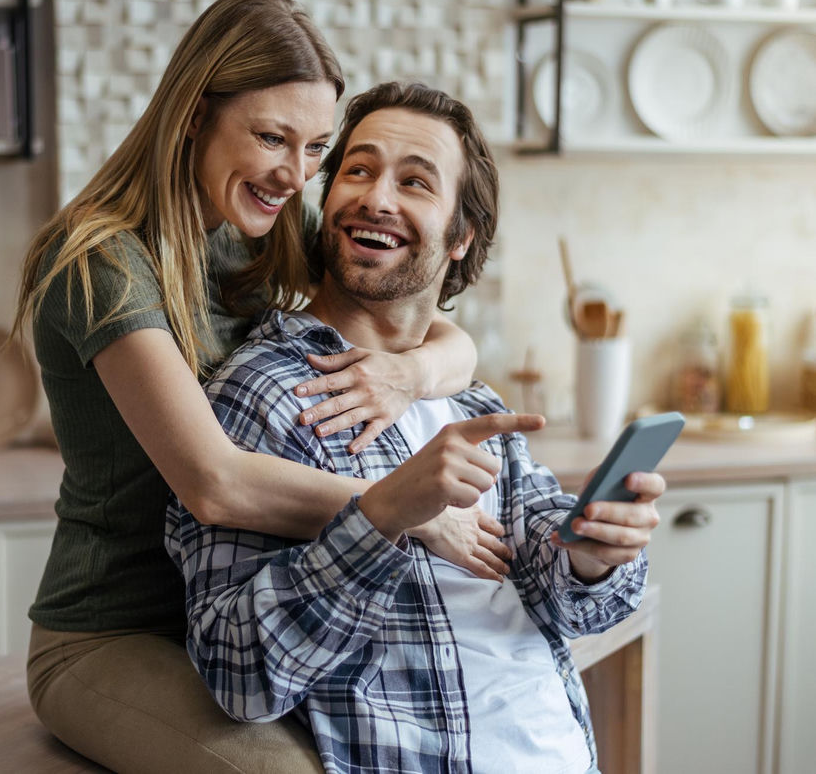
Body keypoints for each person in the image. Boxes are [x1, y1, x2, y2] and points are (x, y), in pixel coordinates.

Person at [14, 0, 491, 773]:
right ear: (194, 114)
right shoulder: (100, 260)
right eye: (271, 137)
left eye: (313, 149)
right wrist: (403, 512)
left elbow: (438, 329)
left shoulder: (259, 233)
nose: (292, 174)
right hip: (117, 633)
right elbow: (215, 485)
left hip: (242, 611)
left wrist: (407, 375)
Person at [166, 82, 666, 774]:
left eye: (415, 182)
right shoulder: (267, 393)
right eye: (359, 170)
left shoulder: (468, 398)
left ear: (460, 237)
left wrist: (595, 551)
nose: (377, 198)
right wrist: (381, 517)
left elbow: (568, 599)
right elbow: (236, 672)